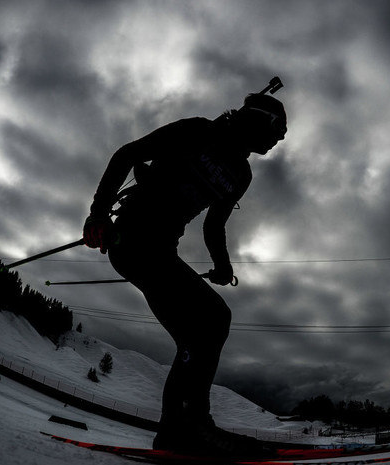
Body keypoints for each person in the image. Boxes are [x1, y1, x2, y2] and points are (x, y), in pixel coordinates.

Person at [82, 92, 287, 456]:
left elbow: (214, 225)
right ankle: (191, 427)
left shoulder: (242, 174)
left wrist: (223, 264)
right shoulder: (198, 131)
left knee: (197, 337)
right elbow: (127, 154)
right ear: (255, 119)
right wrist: (98, 214)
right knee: (212, 318)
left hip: (160, 251)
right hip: (131, 239)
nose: (281, 138)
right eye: (278, 127)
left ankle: (178, 432)